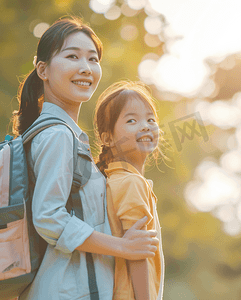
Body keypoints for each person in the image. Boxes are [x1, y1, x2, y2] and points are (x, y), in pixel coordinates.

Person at [13, 17, 159, 300]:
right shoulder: (57, 135)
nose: (85, 68)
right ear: (42, 70)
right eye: (72, 56)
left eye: (93, 59)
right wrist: (122, 247)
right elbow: (49, 217)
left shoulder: (64, 134)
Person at [94, 81, 164, 300]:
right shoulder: (131, 182)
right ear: (108, 139)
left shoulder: (115, 179)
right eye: (132, 120)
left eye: (150, 119)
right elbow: (137, 253)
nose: (145, 126)